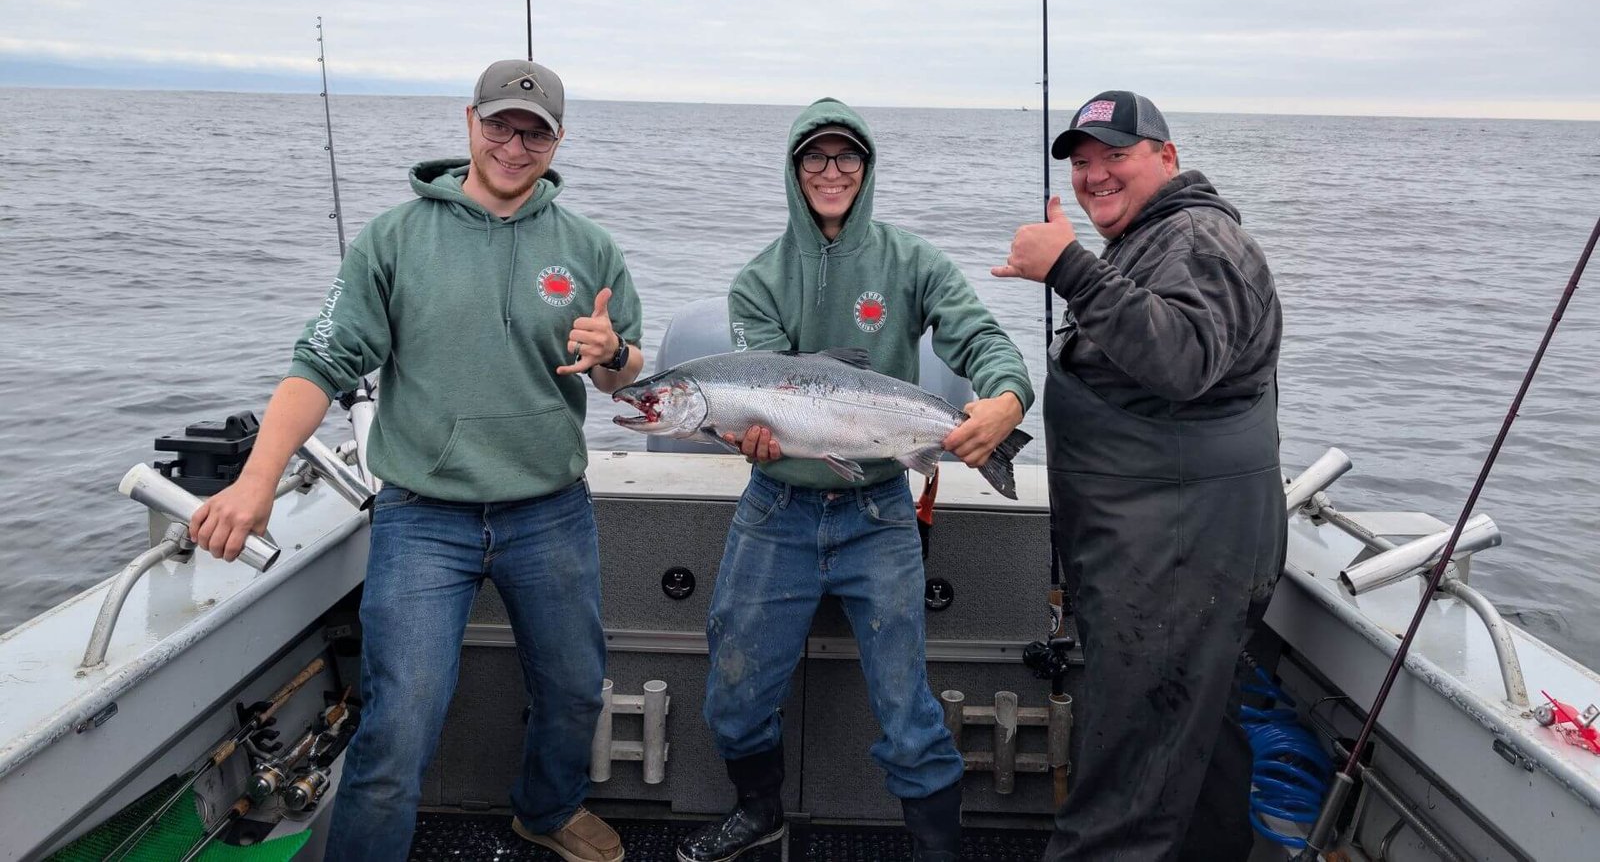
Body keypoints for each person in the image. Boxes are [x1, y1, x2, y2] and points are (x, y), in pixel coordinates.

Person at [189, 60, 644, 862]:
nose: (514, 143)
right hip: (423, 515)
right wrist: (255, 481)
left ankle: (546, 807)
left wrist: (616, 354)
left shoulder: (588, 246)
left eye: (534, 130)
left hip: (550, 511)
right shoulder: (394, 238)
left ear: (558, 140)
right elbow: (318, 365)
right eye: (500, 123)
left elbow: (621, 373)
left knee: (575, 692)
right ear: (469, 121)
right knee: (400, 724)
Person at [677, 98, 1035, 862]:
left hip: (879, 512)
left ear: (867, 169)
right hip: (778, 510)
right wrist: (760, 440)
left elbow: (981, 335)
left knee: (907, 708)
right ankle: (761, 812)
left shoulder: (913, 261)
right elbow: (764, 389)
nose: (831, 171)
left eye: (847, 158)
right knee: (733, 695)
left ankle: (936, 849)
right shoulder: (759, 281)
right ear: (794, 169)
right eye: (816, 157)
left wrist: (1005, 395)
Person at [993, 90, 1286, 861]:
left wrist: (1069, 269)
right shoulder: (1154, 240)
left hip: (1179, 556)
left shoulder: (1198, 238)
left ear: (1168, 156)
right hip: (1169, 549)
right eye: (1082, 162)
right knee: (1194, 750)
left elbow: (1183, 356)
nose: (1095, 176)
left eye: (1115, 155)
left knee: (1127, 781)